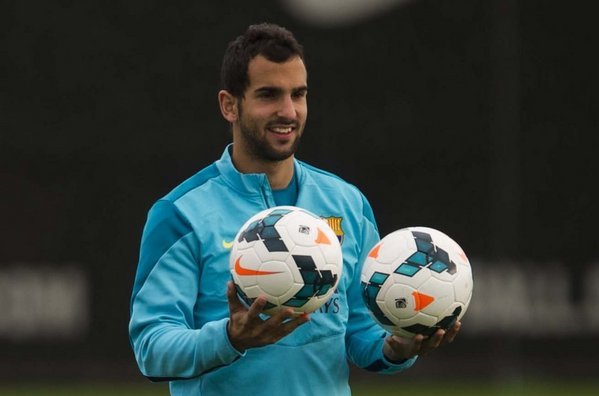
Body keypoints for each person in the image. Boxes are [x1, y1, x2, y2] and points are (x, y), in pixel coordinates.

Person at [129, 22, 460, 396]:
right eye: (269, 95)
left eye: (298, 94)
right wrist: (230, 337)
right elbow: (151, 349)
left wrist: (400, 345)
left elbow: (362, 333)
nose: (288, 111)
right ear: (229, 105)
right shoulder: (181, 214)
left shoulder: (348, 204)